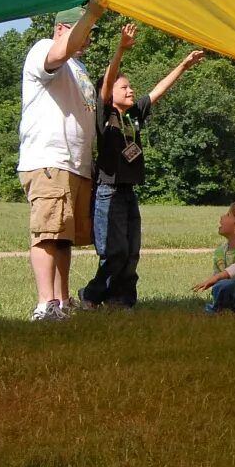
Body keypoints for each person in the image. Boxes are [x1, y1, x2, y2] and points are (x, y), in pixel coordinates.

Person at [81, 23, 204, 308]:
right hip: (107, 192)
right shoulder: (104, 115)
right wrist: (120, 49)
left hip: (128, 192)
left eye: (131, 86)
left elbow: (158, 91)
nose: (131, 89)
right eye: (124, 87)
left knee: (131, 251)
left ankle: (122, 301)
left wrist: (183, 65)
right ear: (110, 93)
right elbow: (109, 79)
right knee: (114, 251)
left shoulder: (134, 114)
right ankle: (91, 295)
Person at [18, 0, 106, 321]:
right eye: (83, 31)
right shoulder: (44, 48)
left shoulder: (78, 68)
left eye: (90, 33)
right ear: (61, 28)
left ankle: (62, 301)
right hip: (49, 161)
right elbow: (60, 52)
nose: (88, 39)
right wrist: (93, 13)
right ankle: (45, 305)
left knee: (64, 237)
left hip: (74, 166)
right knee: (48, 233)